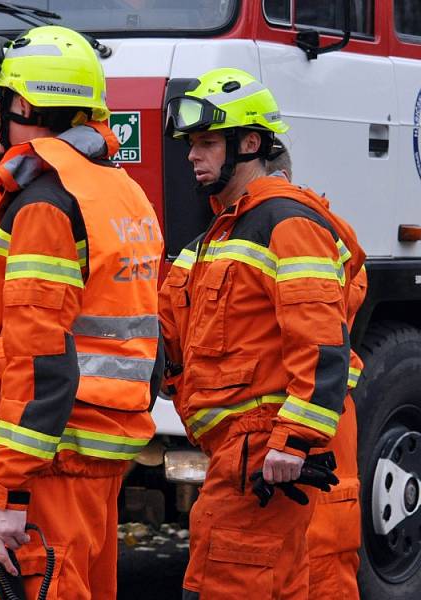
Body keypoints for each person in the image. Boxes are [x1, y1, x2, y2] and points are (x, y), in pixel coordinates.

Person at [0, 25, 164, 599]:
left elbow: (38, 356)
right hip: (99, 450)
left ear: (22, 104)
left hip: (50, 460)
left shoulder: (45, 203)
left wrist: (8, 495)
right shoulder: (120, 191)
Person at [159, 67, 365, 599]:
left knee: (230, 578)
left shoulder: (285, 223)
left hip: (268, 448)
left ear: (249, 143)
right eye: (192, 144)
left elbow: (319, 339)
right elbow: (175, 332)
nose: (192, 157)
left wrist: (294, 440)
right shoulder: (218, 236)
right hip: (245, 449)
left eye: (205, 143)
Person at [267, 143, 366, 599]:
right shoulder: (319, 233)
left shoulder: (298, 233)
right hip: (314, 419)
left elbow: (317, 345)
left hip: (310, 422)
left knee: (321, 557)